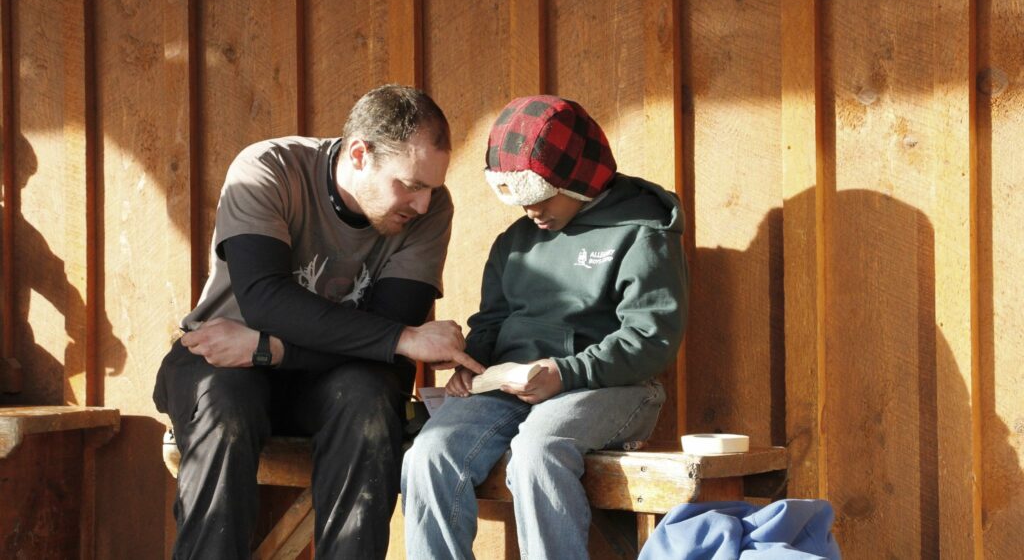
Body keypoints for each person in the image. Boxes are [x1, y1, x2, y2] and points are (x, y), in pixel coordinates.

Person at [153, 84, 484, 559]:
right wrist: (394, 339)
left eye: (432, 187)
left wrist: (271, 349)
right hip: (223, 360)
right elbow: (266, 299)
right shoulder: (268, 169)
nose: (423, 205)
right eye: (411, 185)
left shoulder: (429, 211)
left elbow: (392, 327)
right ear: (359, 154)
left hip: (332, 378)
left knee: (369, 398)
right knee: (224, 405)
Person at [401, 95, 689, 559]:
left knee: (538, 452)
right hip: (511, 386)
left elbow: (651, 338)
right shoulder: (515, 241)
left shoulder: (641, 230)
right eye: (519, 199)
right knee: (429, 454)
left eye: (539, 195)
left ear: (579, 178)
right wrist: (473, 365)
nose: (529, 209)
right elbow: (492, 320)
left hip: (610, 387)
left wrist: (565, 373)